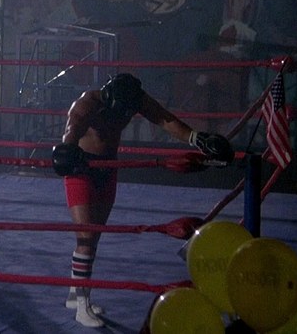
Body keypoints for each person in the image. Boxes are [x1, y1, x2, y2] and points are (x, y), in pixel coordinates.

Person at [51, 73, 234, 328]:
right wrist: (67, 150)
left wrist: (197, 139)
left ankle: (75, 294)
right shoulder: (87, 104)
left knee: (95, 237)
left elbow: (164, 119)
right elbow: (71, 133)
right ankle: (82, 305)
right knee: (86, 238)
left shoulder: (136, 99)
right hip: (82, 170)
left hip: (109, 169)